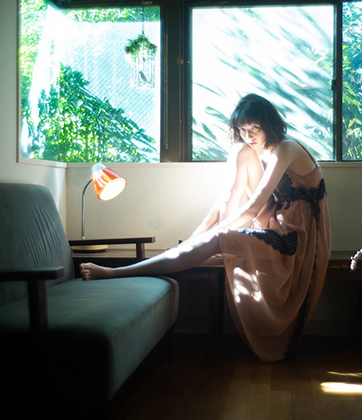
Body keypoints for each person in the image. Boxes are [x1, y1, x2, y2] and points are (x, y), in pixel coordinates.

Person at [80, 94, 331, 362]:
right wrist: (198, 234)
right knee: (240, 152)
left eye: (254, 128)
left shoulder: (286, 148)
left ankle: (118, 272)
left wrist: (217, 233)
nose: (248, 136)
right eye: (242, 129)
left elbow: (254, 207)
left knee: (218, 235)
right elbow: (231, 197)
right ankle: (196, 241)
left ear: (269, 124)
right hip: (278, 221)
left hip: (297, 239)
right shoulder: (263, 150)